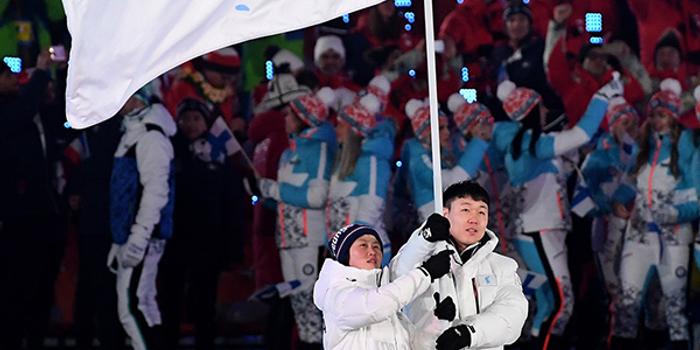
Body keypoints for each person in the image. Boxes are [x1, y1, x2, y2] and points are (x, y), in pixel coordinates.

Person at [491, 75, 619, 348]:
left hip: (542, 228)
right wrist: (602, 97)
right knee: (563, 301)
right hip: (540, 228)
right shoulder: (533, 143)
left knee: (550, 300)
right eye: (541, 107)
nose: (546, 112)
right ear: (530, 112)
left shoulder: (528, 144)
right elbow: (582, 133)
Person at [610, 79, 699, 350]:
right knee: (627, 303)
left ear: (673, 116)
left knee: (674, 309)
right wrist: (619, 201)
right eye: (654, 114)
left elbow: (697, 196)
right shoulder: (644, 145)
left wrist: (673, 213)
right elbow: (628, 183)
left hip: (673, 238)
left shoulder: (686, 145)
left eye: (663, 114)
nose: (657, 120)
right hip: (638, 236)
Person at [391, 181, 528, 350]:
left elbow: (513, 314)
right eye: (465, 210)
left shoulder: (502, 266)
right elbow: (396, 279)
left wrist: (470, 333)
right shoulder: (420, 256)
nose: (474, 219)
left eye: (481, 212)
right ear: (445, 214)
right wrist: (424, 238)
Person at [159, 98, 242, 350]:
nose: (191, 124)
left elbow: (232, 201)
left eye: (197, 118)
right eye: (186, 118)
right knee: (169, 302)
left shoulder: (220, 155)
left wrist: (232, 245)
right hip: (174, 242)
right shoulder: (168, 151)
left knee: (205, 304)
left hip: (209, 243)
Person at [257, 87, 337, 349]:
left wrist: (275, 190)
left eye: (290, 115)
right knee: (296, 302)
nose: (285, 119)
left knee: (311, 300)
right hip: (287, 237)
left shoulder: (320, 150)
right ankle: (306, 344)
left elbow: (317, 196)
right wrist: (265, 192)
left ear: (304, 118)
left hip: (308, 238)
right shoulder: (287, 153)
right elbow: (287, 198)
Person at [107, 87, 176, 350]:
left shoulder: (151, 137)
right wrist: (119, 239)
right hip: (133, 234)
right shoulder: (132, 132)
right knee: (141, 302)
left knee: (133, 306)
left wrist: (139, 235)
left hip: (145, 235)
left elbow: (156, 191)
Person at [313, 224, 453, 350]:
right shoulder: (335, 295)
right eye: (363, 245)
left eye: (376, 246)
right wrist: (425, 273)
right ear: (345, 255)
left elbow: (416, 345)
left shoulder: (391, 309)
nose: (372, 251)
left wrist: (437, 322)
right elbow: (372, 307)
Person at [326, 75, 395, 265]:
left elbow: (370, 210)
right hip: (347, 253)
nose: (336, 128)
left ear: (353, 131)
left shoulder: (371, 162)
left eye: (341, 125)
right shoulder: (343, 161)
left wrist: (354, 249)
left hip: (367, 254)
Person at [402, 99, 489, 222]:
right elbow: (452, 181)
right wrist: (478, 142)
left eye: (447, 127)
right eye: (440, 128)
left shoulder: (444, 153)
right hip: (436, 226)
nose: (447, 132)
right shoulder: (418, 160)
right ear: (427, 133)